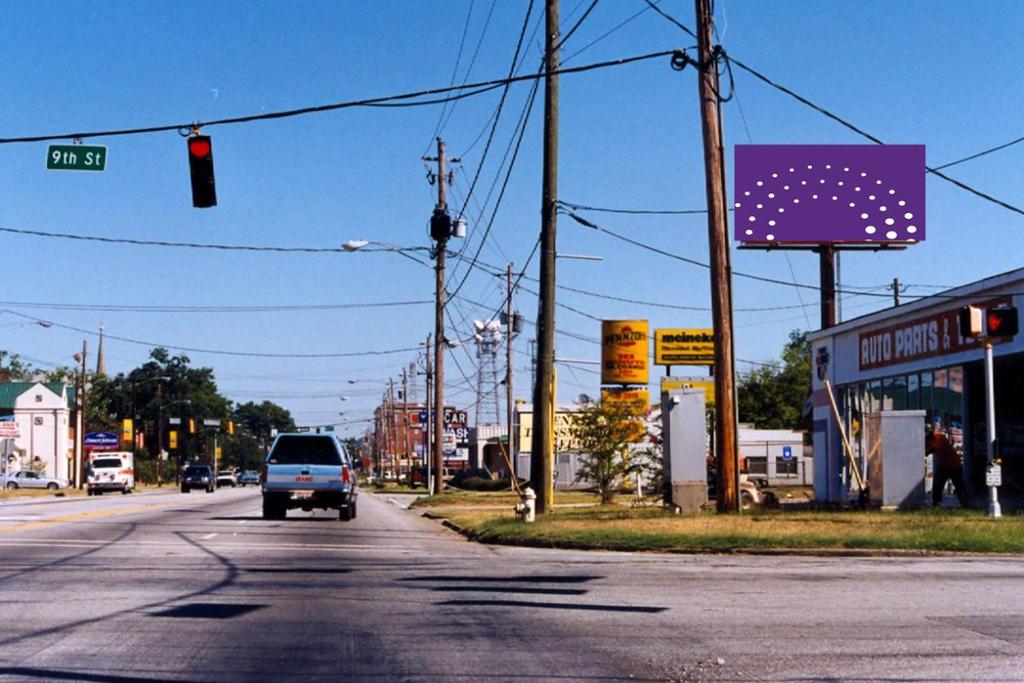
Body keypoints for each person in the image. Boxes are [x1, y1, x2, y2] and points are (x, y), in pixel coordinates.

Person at [926, 425, 968, 507]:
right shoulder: (929, 439)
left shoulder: (939, 437)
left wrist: (926, 452)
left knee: (959, 486)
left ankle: (965, 504)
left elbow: (933, 449)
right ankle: (936, 504)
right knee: (937, 485)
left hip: (953, 465)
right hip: (944, 465)